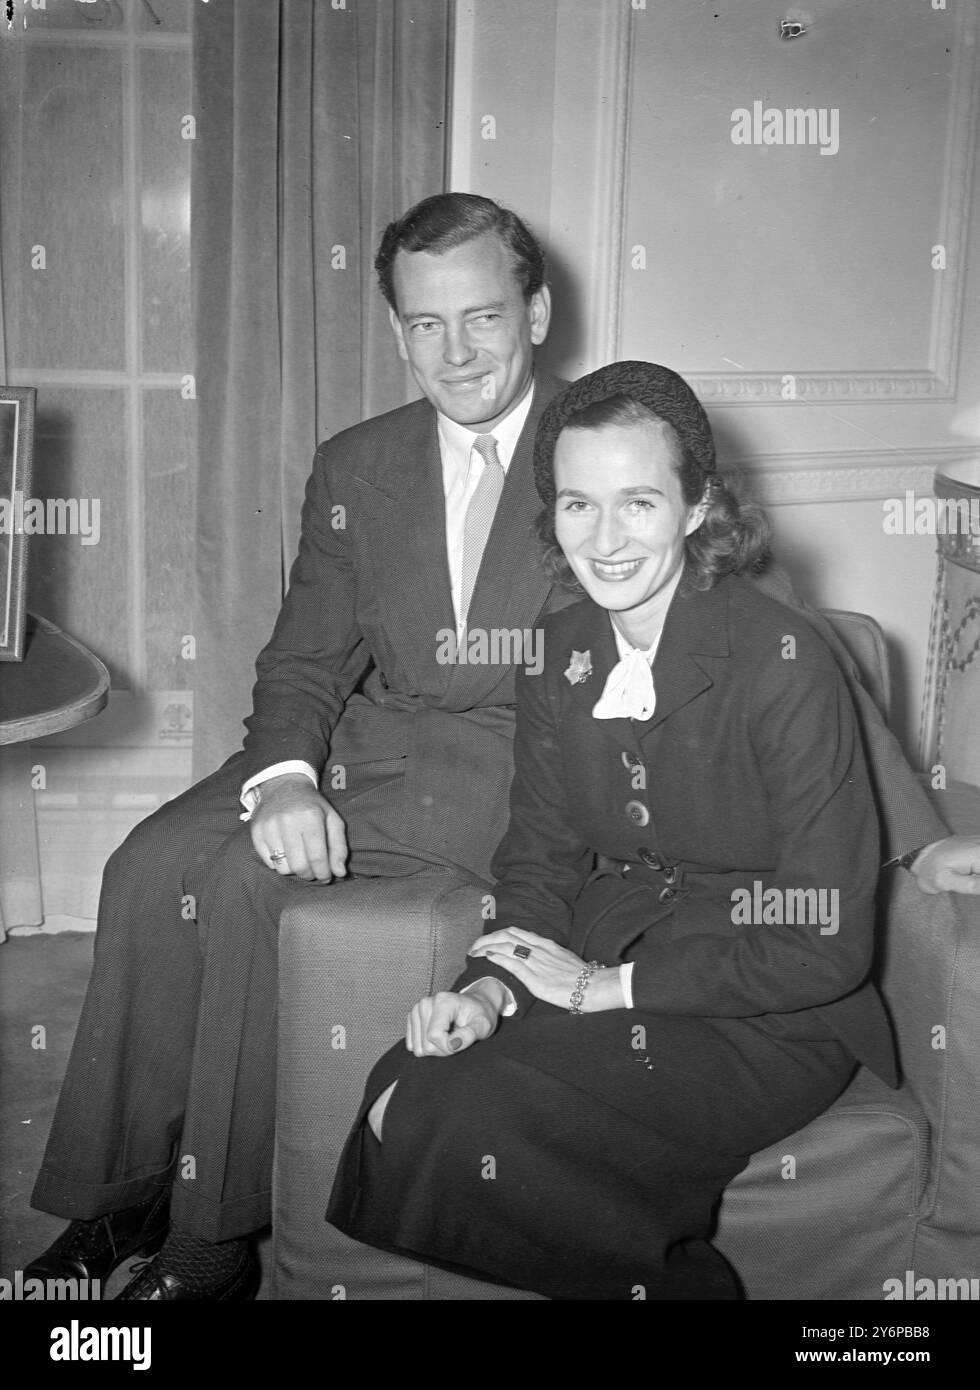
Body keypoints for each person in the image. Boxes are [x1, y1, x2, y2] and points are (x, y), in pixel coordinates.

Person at [25, 194, 978, 1302]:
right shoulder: (356, 462)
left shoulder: (609, 435)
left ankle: (210, 1232)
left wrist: (911, 837)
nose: (456, 351)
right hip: (370, 745)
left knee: (243, 887)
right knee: (146, 867)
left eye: (480, 317)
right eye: (425, 325)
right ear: (395, 332)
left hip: (514, 759)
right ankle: (123, 1191)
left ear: (533, 312)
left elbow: (780, 627)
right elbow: (301, 659)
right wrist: (285, 774)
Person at [325, 361, 901, 1301]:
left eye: (639, 502)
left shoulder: (785, 663)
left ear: (697, 505)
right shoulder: (558, 655)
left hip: (772, 1007)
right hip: (607, 960)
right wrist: (492, 989)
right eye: (578, 505)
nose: (605, 538)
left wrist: (609, 989)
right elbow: (541, 862)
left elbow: (827, 939)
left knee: (476, 1114)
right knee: (404, 1090)